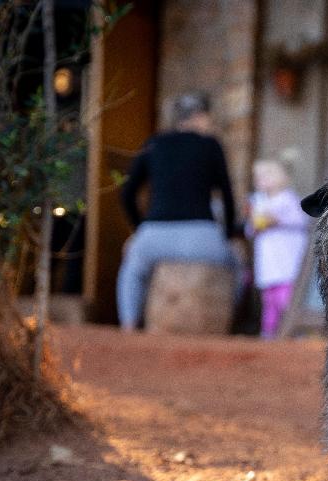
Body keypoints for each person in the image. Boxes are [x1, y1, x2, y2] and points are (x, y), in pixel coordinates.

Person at [117, 91, 240, 331]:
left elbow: (126, 193)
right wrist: (228, 234)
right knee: (236, 266)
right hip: (201, 237)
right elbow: (227, 195)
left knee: (132, 270)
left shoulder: (153, 143)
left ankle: (129, 325)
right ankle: (226, 324)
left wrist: (139, 228)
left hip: (154, 235)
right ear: (200, 116)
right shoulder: (210, 144)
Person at [247, 159, 310, 338]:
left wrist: (278, 220)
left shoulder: (289, 200)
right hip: (268, 264)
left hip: (287, 263)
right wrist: (255, 223)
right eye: (258, 176)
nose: (261, 180)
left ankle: (294, 333)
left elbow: (302, 221)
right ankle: (269, 334)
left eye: (267, 175)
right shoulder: (258, 202)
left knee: (287, 301)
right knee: (269, 302)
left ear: (283, 177)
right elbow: (250, 229)